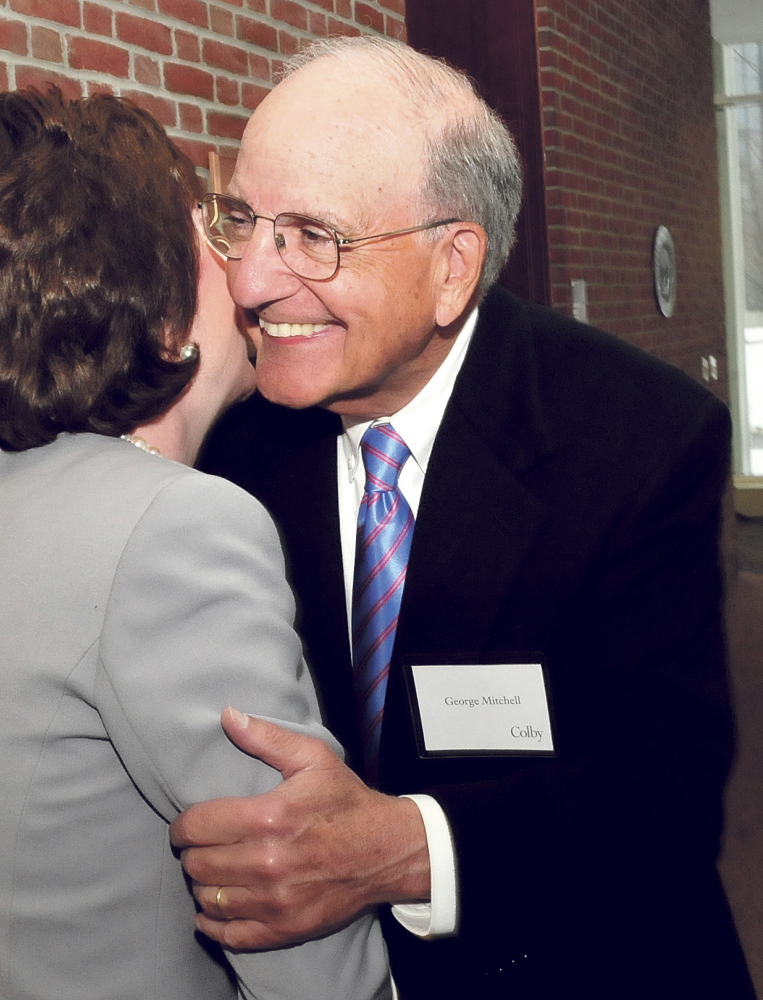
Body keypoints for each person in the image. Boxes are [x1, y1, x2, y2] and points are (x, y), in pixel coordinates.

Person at [170, 35, 755, 999]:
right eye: (242, 220)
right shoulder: (236, 448)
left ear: (452, 267)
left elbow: (664, 793)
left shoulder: (638, 438)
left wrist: (403, 849)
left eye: (312, 235)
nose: (250, 281)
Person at [0, 88, 390, 1000]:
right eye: (211, 226)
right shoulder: (172, 530)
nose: (249, 267)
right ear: (155, 306)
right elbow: (297, 921)